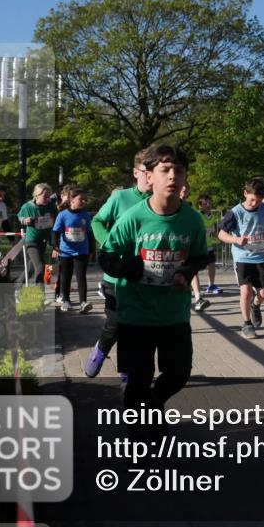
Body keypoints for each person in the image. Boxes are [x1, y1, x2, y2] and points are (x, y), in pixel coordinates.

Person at [99, 144, 212, 433]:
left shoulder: (191, 219)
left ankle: (153, 404)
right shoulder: (133, 217)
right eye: (165, 170)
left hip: (173, 314)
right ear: (149, 176)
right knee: (138, 379)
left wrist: (186, 271)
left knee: (178, 374)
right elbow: (107, 256)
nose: (173, 176)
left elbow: (200, 256)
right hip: (135, 314)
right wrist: (128, 268)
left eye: (179, 171)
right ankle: (139, 440)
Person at [84, 148, 152, 379]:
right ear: (135, 172)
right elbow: (97, 221)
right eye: (145, 171)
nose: (150, 176)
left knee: (135, 328)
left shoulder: (160, 201)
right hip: (116, 276)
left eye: (154, 171)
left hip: (144, 275)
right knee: (116, 324)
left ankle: (126, 373)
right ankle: (100, 350)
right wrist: (110, 245)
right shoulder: (120, 198)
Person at [217, 178, 264, 338]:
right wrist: (236, 239)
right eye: (252, 200)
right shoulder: (235, 212)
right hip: (243, 258)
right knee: (245, 292)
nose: (254, 204)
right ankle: (247, 324)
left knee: (263, 294)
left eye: (258, 201)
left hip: (262, 258)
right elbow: (221, 234)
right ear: (245, 193)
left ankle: (255, 306)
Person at [51, 187, 95, 314]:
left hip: (82, 251)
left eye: (84, 199)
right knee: (66, 276)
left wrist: (92, 249)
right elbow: (55, 231)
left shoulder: (85, 215)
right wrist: (55, 246)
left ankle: (83, 303)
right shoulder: (62, 215)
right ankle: (66, 301)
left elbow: (89, 233)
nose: (83, 201)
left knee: (81, 276)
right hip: (66, 251)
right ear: (71, 200)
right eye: (81, 199)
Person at [18, 183, 57, 286]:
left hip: (43, 241)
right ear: (36, 195)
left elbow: (56, 223)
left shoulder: (51, 206)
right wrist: (25, 220)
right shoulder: (27, 207)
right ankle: (39, 293)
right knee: (40, 266)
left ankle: (16, 286)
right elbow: (20, 217)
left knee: (32, 266)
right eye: (45, 196)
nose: (48, 199)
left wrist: (54, 243)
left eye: (49, 196)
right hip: (32, 240)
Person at [191, 194, 221, 313]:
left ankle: (211, 285)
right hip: (199, 247)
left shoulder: (212, 216)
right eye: (205, 203)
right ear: (200, 205)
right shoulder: (197, 215)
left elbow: (213, 230)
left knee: (212, 264)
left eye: (209, 202)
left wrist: (219, 239)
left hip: (209, 246)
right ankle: (196, 292)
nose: (208, 205)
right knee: (195, 270)